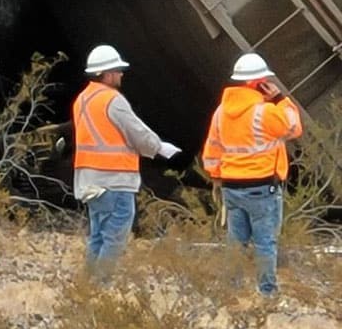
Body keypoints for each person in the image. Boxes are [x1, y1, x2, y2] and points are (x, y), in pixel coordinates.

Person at [73, 44, 181, 276]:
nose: (121, 74)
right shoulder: (113, 100)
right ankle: (102, 284)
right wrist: (159, 147)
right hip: (114, 181)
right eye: (118, 70)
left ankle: (89, 284)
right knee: (114, 238)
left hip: (87, 180)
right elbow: (138, 133)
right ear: (107, 73)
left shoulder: (81, 100)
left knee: (98, 235)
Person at [201, 52, 302, 297]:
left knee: (236, 241)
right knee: (265, 242)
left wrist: (215, 175)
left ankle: (231, 290)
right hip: (261, 189)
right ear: (259, 83)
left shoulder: (221, 112)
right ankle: (267, 292)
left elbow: (212, 148)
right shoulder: (265, 112)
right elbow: (293, 127)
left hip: (232, 188)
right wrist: (279, 98)